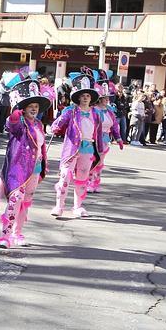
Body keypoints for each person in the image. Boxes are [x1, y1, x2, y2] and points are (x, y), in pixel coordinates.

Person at [0, 78, 50, 248]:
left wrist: (43, 167)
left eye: (36, 106)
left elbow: (41, 147)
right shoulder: (19, 123)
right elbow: (10, 124)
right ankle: (5, 236)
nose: (34, 109)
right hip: (18, 169)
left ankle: (17, 233)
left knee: (26, 202)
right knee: (15, 200)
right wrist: (15, 114)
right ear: (23, 108)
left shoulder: (39, 125)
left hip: (34, 170)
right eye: (30, 106)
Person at [51, 69, 103, 218]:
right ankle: (58, 206)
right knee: (65, 177)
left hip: (87, 149)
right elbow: (57, 125)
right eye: (83, 96)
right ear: (78, 97)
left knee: (82, 179)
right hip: (71, 149)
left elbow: (98, 134)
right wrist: (56, 126)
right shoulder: (70, 111)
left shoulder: (95, 113)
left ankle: (77, 206)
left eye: (88, 95)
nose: (85, 98)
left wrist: (98, 150)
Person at [88, 76, 124, 193]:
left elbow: (114, 125)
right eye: (105, 97)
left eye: (108, 97)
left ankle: (96, 183)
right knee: (91, 161)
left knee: (100, 163)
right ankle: (87, 182)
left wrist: (118, 138)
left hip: (104, 140)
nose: (107, 99)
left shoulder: (109, 111)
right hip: (92, 140)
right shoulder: (92, 110)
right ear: (99, 99)